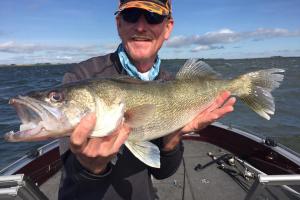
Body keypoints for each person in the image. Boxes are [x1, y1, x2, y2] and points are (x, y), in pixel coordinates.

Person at [58, 0, 236, 199]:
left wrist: (173, 137)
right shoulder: (83, 77)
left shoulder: (169, 81)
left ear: (167, 28)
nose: (141, 27)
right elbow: (70, 177)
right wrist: (89, 168)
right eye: (131, 15)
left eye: (153, 17)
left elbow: (163, 173)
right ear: (119, 24)